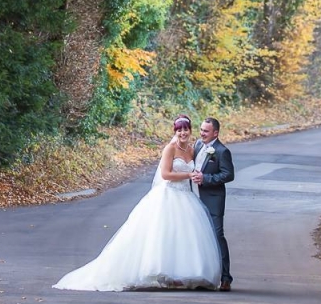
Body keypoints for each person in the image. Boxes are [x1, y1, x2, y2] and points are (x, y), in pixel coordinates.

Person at [52, 115, 221, 291]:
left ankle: (178, 275)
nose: (183, 133)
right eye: (179, 130)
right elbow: (166, 175)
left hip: (186, 197)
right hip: (169, 194)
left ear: (190, 131)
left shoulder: (192, 149)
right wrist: (188, 175)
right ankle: (160, 272)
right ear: (175, 131)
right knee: (162, 235)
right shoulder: (170, 149)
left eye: (186, 129)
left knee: (184, 236)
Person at [193, 116, 234, 291]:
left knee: (217, 237)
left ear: (215, 133)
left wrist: (206, 178)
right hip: (194, 197)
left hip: (213, 200)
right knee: (199, 238)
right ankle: (203, 276)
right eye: (201, 129)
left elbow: (228, 175)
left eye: (206, 131)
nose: (202, 133)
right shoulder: (197, 146)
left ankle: (226, 278)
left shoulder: (221, 151)